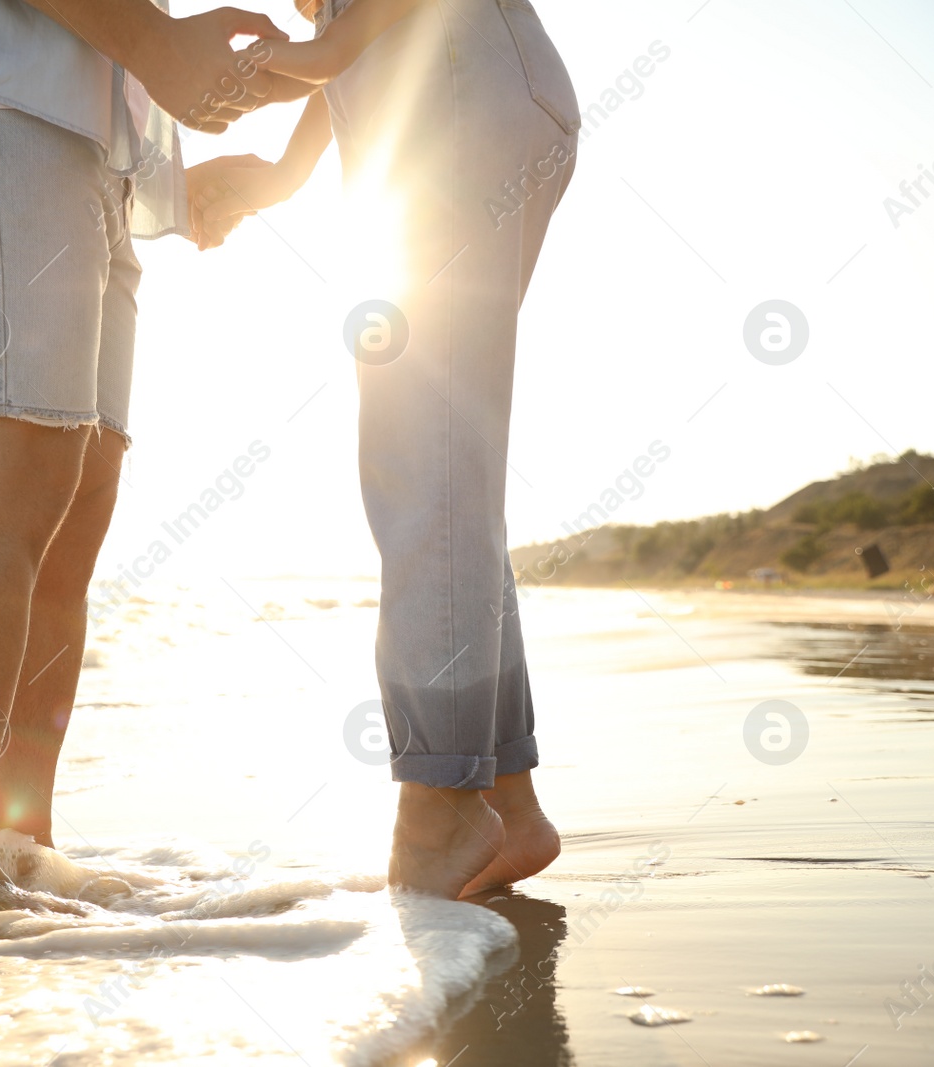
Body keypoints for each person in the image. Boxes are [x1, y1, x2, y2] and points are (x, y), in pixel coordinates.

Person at [0, 0, 312, 910]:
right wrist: (160, 43)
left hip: (83, 156)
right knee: (15, 477)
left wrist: (186, 188)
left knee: (74, 503)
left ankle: (19, 849)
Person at [189, 0, 580, 898]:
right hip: (436, 85)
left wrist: (325, 45)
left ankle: (442, 813)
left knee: (424, 463)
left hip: (447, 80)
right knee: (446, 464)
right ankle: (504, 804)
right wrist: (288, 171)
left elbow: (358, 26)